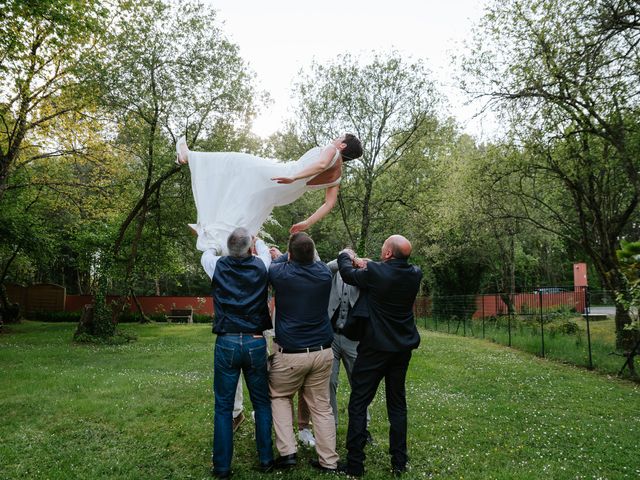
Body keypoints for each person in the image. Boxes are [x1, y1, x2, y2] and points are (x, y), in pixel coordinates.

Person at [175, 134, 363, 252]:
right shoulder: (337, 176)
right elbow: (328, 204)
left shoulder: (332, 150)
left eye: (339, 137)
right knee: (249, 206)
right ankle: (217, 239)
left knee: (237, 162)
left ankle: (190, 156)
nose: (335, 139)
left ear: (343, 146)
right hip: (287, 192)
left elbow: (321, 164)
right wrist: (306, 223)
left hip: (285, 175)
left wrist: (294, 176)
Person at [338, 235, 422, 477]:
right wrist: (368, 264)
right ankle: (398, 462)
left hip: (375, 348)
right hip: (401, 349)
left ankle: (355, 464)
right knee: (397, 405)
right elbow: (384, 270)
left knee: (358, 403)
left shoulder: (376, 272)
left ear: (387, 254)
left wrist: (347, 255)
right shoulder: (415, 274)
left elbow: (346, 274)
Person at [201, 227, 274, 478]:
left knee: (223, 407)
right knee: (262, 403)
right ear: (250, 247)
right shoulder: (262, 265)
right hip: (255, 341)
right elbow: (264, 251)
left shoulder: (216, 264)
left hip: (227, 341)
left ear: (229, 248)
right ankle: (266, 459)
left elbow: (206, 251)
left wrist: (217, 240)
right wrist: (257, 238)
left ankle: (222, 467)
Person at [267, 232, 342, 473]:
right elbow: (316, 260)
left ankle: (288, 452)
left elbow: (273, 265)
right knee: (321, 407)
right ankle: (329, 461)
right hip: (323, 352)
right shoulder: (323, 273)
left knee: (279, 396)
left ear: (290, 254)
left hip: (291, 354)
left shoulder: (280, 273)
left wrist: (280, 257)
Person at [326, 258, 372, 440]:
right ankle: (331, 425)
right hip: (331, 337)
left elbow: (373, 269)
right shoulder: (332, 273)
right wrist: (345, 257)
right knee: (329, 382)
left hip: (354, 338)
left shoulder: (362, 274)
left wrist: (361, 262)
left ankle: (363, 426)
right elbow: (327, 266)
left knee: (358, 383)